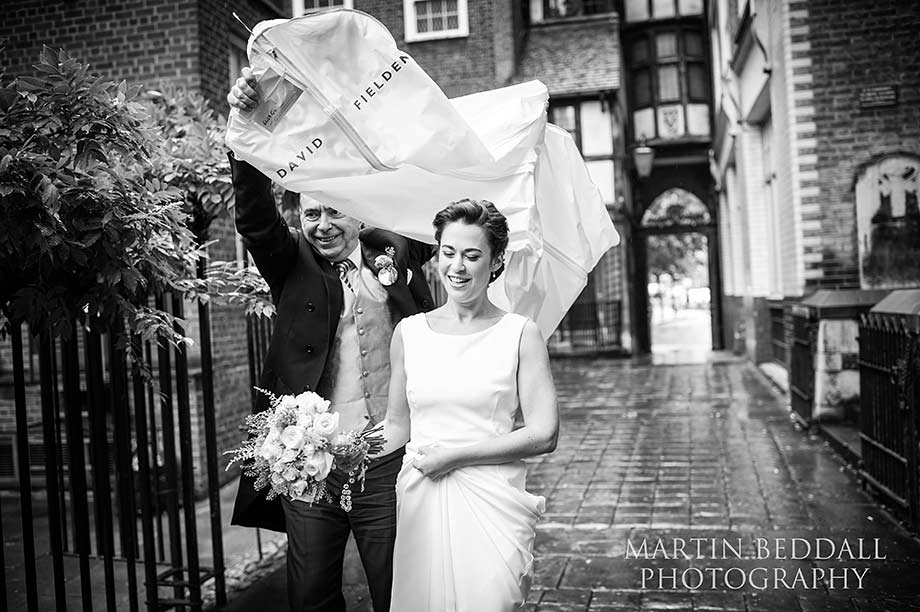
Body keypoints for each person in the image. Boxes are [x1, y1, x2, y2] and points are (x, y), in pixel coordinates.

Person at [227, 69, 435, 612]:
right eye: (310, 212)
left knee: (402, 592)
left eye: (334, 211)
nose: (321, 224)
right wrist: (247, 125)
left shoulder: (395, 247)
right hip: (312, 465)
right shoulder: (289, 263)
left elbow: (440, 209)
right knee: (312, 599)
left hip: (390, 459)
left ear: (358, 212)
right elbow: (253, 216)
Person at [375, 199, 559, 611]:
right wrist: (335, 450)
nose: (457, 266)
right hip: (423, 499)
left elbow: (544, 433)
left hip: (492, 502)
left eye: (472, 255)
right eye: (448, 252)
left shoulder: (520, 334)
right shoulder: (409, 333)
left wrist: (455, 457)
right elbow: (395, 426)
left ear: (495, 263)